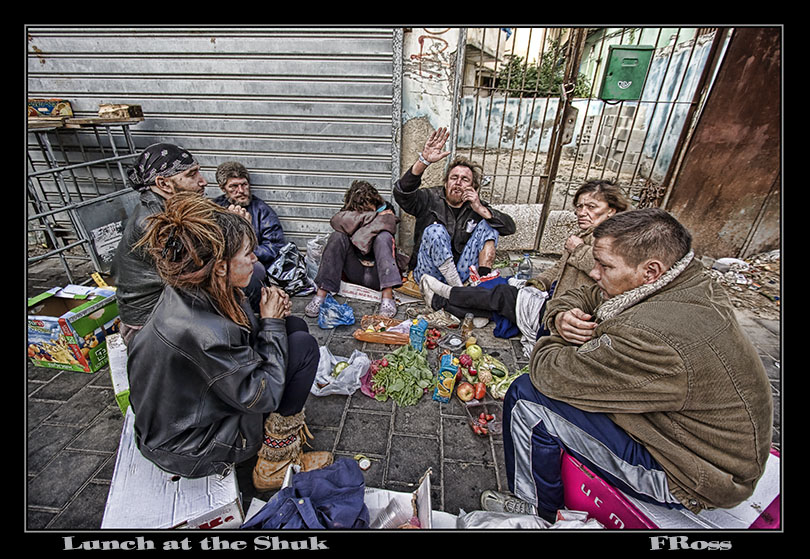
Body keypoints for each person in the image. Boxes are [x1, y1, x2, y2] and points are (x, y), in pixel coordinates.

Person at [481, 208, 773, 522]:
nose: (594, 272)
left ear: (650, 271)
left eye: (604, 266)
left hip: (693, 475)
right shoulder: (689, 280)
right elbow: (587, 293)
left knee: (526, 397)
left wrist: (554, 335)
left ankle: (536, 514)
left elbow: (549, 372)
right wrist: (562, 316)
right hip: (694, 437)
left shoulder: (650, 334)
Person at [126, 193, 332, 490]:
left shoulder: (195, 286)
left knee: (295, 327)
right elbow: (262, 395)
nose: (254, 258)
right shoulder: (205, 332)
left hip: (185, 419)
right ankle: (273, 465)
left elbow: (238, 338)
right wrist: (270, 323)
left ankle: (276, 446)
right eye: (247, 253)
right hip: (191, 446)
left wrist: (272, 319)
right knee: (302, 349)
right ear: (221, 266)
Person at [420, 181, 629, 350]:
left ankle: (447, 295)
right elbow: (558, 269)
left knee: (502, 295)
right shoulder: (584, 234)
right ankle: (450, 304)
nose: (582, 212)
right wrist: (536, 282)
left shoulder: (615, 241)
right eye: (580, 206)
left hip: (568, 314)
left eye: (592, 207)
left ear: (611, 210)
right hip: (555, 299)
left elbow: (607, 271)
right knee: (500, 291)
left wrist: (579, 249)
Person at [393, 127, 516, 288]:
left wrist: (481, 209)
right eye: (454, 178)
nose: (458, 182)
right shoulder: (429, 198)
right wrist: (424, 160)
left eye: (465, 179)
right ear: (446, 183)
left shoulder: (475, 206)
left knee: (489, 223)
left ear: (474, 187)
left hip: (461, 271)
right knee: (435, 230)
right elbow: (401, 193)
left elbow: (509, 227)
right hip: (429, 273)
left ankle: (482, 284)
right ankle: (458, 290)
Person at [111, 143, 207, 345]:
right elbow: (194, 269)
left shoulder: (170, 207)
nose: (203, 181)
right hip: (148, 321)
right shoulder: (154, 223)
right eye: (192, 175)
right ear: (163, 184)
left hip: (167, 302)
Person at [305, 180, 407, 319]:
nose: (363, 214)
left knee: (383, 237)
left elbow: (388, 224)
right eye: (359, 213)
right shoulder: (348, 212)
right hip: (355, 271)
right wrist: (371, 218)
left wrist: (358, 224)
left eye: (368, 210)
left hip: (378, 274)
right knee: (337, 236)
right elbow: (336, 221)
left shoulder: (386, 209)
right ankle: (320, 295)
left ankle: (388, 298)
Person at [212, 161, 287, 304]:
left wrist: (248, 254)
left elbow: (274, 247)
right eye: (234, 186)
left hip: (251, 264)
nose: (241, 190)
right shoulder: (214, 209)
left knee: (255, 270)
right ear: (223, 189)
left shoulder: (261, 211)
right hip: (221, 265)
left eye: (244, 184)